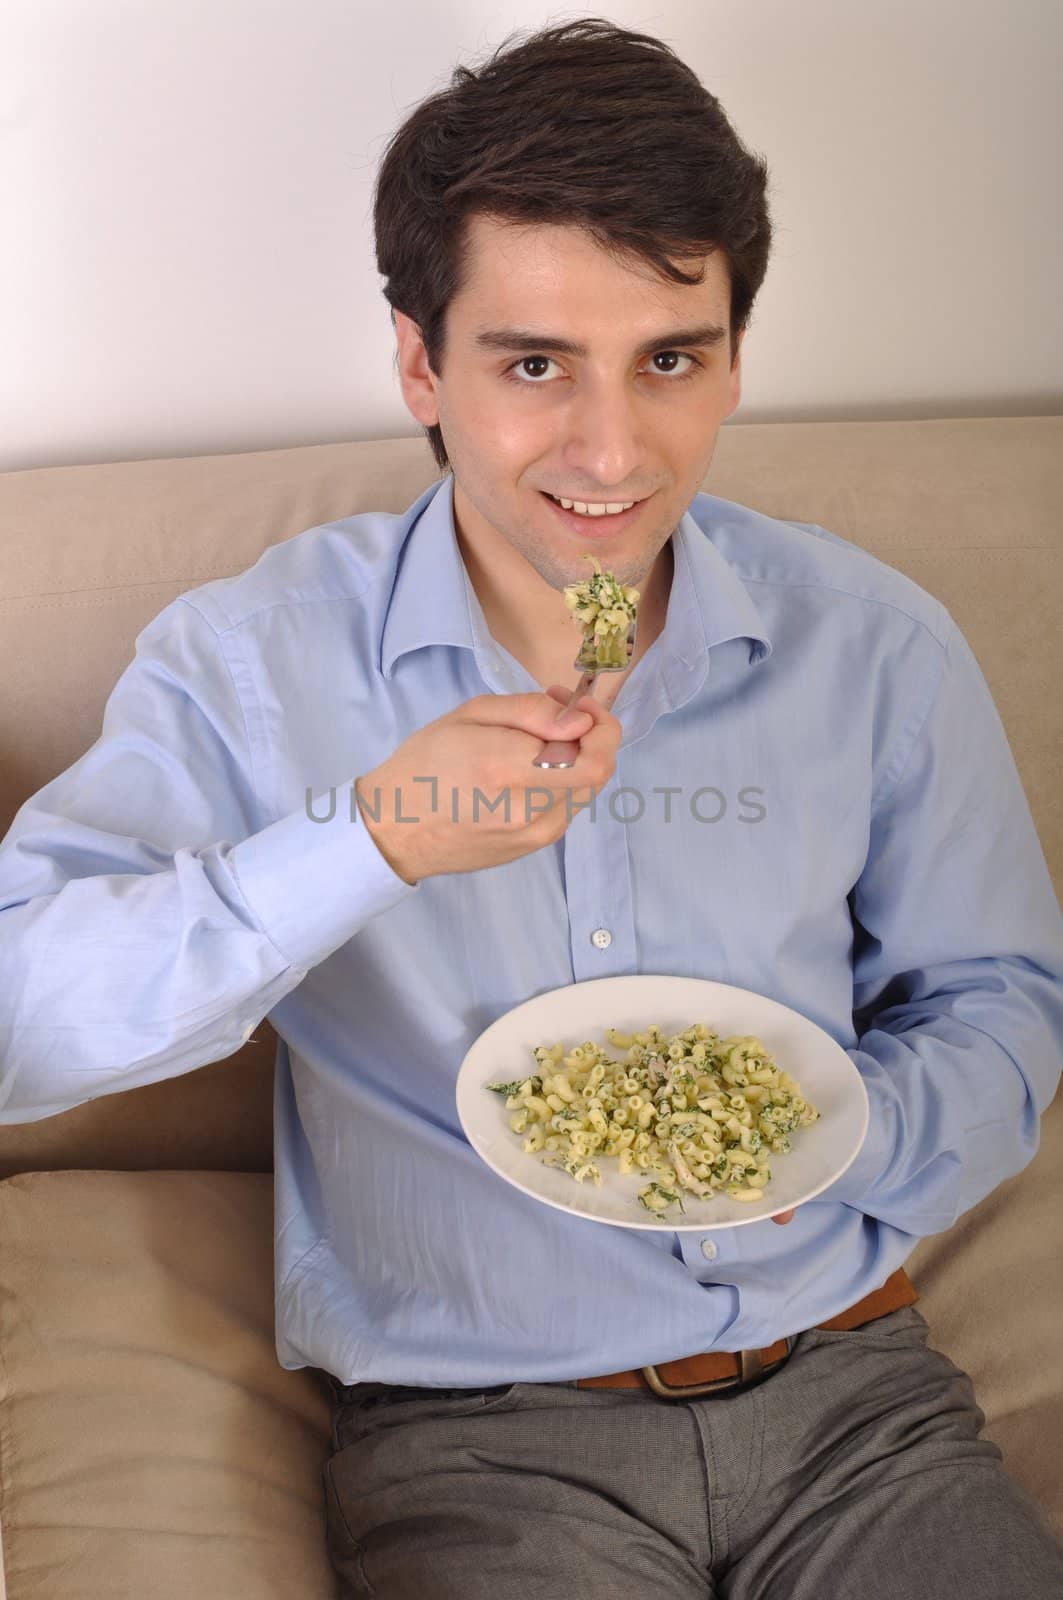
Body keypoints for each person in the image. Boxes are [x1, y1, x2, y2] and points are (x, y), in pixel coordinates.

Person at [2, 15, 1062, 1598]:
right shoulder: (253, 659)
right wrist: (364, 838)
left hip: (856, 1396)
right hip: (481, 1436)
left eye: (671, 361)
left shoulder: (874, 643)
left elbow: (1003, 1000)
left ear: (733, 356)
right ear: (422, 363)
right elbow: (23, 1026)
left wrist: (836, 1143)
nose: (613, 452)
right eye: (534, 363)